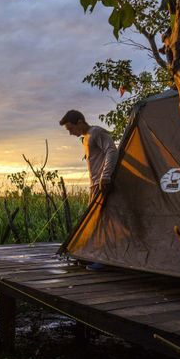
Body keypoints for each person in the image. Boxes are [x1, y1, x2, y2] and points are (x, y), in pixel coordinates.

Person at [60, 109, 118, 271]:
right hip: (94, 186)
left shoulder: (96, 132)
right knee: (94, 222)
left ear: (80, 122)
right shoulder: (86, 138)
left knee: (102, 222)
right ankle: (92, 255)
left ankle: (104, 259)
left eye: (71, 128)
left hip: (102, 184)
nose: (70, 133)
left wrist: (105, 176)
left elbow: (111, 150)